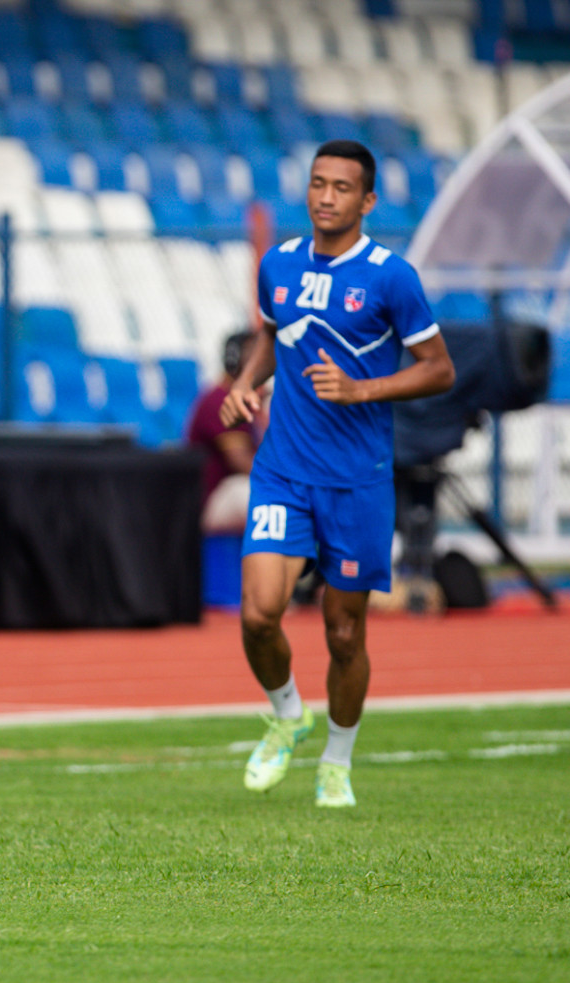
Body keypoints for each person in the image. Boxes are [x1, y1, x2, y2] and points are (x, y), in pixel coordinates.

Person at [220, 140, 454, 808]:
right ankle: (285, 715)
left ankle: (336, 761)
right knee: (259, 613)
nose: (326, 197)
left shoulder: (389, 277)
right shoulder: (279, 263)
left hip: (356, 480)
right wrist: (244, 385)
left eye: (341, 187)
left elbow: (438, 368)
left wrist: (360, 390)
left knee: (343, 632)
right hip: (283, 471)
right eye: (318, 184)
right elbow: (272, 335)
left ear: (366, 200)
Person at [186, 329, 261, 534]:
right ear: (234, 359)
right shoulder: (221, 399)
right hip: (212, 499)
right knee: (263, 497)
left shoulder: (247, 397)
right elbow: (240, 461)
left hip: (229, 489)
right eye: (254, 353)